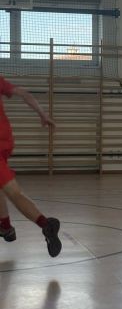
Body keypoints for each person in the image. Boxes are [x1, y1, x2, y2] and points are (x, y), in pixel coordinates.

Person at [0, 76, 61, 257]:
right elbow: (24, 94)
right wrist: (43, 114)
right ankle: (5, 227)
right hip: (5, 141)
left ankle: (46, 224)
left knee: (14, 193)